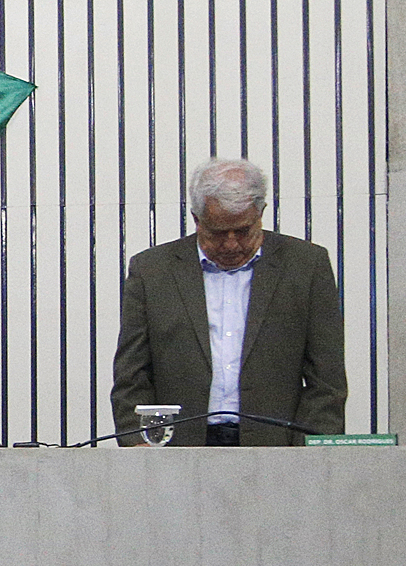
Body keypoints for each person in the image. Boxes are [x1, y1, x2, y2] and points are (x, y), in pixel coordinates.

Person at [109, 157, 346, 446]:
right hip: (176, 449)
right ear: (197, 219)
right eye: (218, 233)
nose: (232, 244)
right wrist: (138, 439)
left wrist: (312, 447)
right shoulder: (152, 271)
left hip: (278, 447)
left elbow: (327, 378)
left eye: (244, 231)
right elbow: (131, 374)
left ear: (261, 213)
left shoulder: (306, 266)